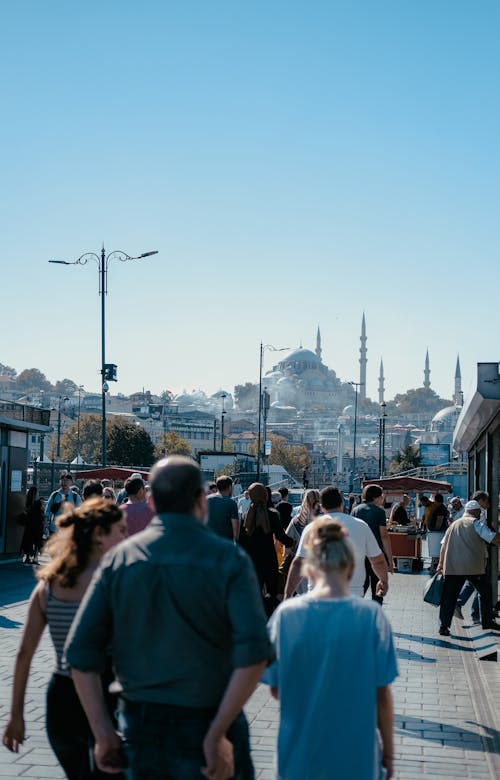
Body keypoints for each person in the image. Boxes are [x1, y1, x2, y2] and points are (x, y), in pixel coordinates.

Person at [65, 456, 274, 780]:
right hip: (211, 715)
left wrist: (103, 732)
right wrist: (218, 731)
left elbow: (80, 654)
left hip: (142, 726)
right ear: (202, 499)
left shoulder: (120, 560)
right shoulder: (229, 560)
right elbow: (255, 654)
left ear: (150, 501)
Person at [263, 517, 397, 780]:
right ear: (350, 569)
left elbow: (277, 687)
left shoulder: (287, 615)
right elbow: (382, 694)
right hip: (357, 751)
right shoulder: (371, 616)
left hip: (299, 750)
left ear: (309, 571)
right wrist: (389, 753)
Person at [2, 499, 128, 779]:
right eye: (120, 529)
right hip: (106, 694)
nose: (126, 536)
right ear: (98, 535)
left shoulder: (48, 587)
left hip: (61, 699)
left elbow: (24, 654)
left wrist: (17, 715)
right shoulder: (115, 583)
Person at [285, 487, 389, 599]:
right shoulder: (361, 526)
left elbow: (299, 563)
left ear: (322, 507)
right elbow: (377, 561)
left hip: (317, 593)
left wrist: (288, 594)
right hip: (352, 593)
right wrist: (384, 581)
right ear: (342, 503)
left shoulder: (312, 528)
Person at [437, 500, 500, 635]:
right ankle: (487, 621)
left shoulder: (453, 524)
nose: (479, 514)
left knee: (448, 597)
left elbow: (443, 546)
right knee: (485, 592)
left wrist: (441, 564)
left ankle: (444, 626)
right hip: (473, 566)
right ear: (475, 511)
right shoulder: (476, 524)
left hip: (452, 567)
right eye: (479, 512)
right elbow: (493, 538)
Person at [239, 482, 293, 615]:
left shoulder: (246, 516)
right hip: (269, 558)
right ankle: (268, 617)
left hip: (251, 560)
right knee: (271, 591)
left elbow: (241, 542)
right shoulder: (273, 514)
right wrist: (293, 541)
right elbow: (281, 536)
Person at [352, 484, 394, 604]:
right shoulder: (379, 512)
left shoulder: (356, 510)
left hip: (360, 555)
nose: (382, 499)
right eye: (381, 496)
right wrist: (390, 561)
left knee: (361, 587)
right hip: (377, 555)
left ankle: (356, 615)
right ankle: (375, 616)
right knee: (379, 587)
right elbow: (384, 537)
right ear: (375, 497)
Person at [206, 475, 240, 541]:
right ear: (230, 487)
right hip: (225, 544)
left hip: (207, 543)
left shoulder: (206, 500)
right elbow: (235, 531)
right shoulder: (231, 503)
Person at [19, 487, 45, 564]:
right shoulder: (38, 502)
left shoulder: (27, 502)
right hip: (38, 525)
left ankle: (27, 557)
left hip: (29, 525)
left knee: (28, 541)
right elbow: (42, 511)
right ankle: (35, 558)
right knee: (37, 542)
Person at [426, 493, 449, 575]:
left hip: (438, 533)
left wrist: (435, 529)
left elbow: (439, 520)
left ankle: (435, 567)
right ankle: (434, 565)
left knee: (436, 551)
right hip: (438, 532)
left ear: (436, 500)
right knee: (436, 552)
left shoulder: (440, 508)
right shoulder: (441, 508)